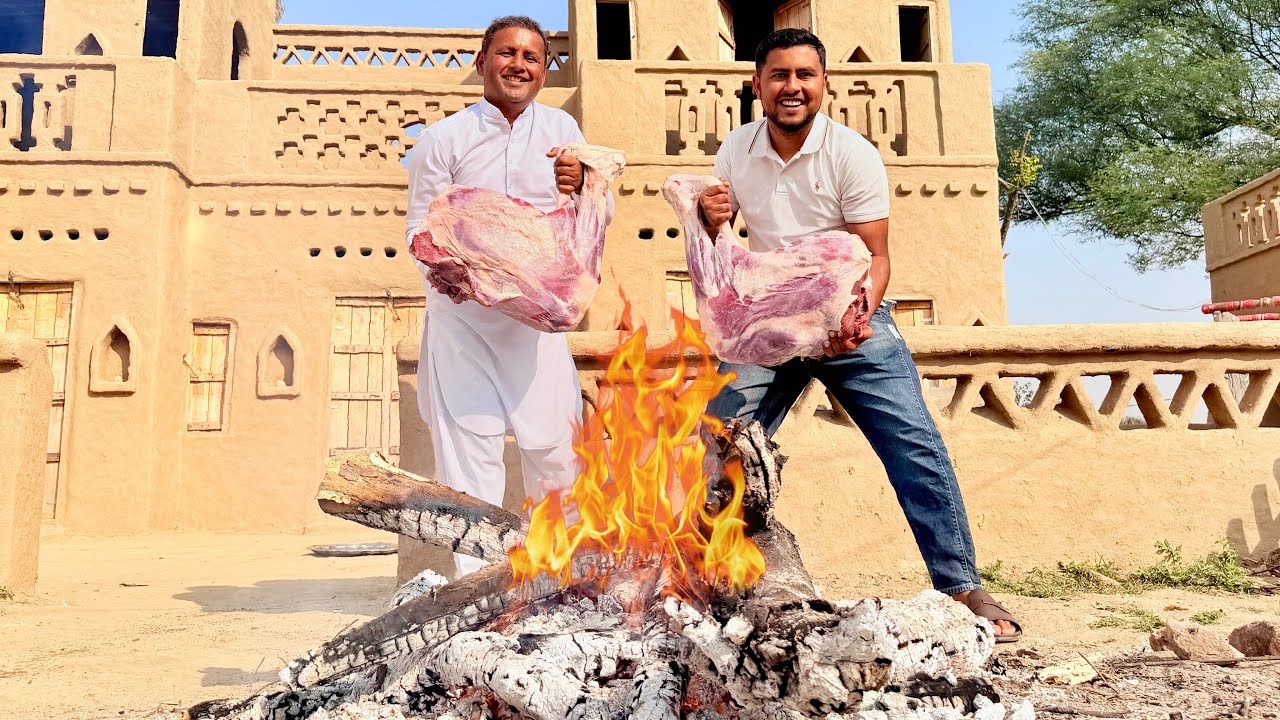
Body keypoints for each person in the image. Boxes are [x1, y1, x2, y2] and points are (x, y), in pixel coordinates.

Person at [697, 28, 1021, 641]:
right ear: (757, 84)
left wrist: (857, 317)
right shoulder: (735, 149)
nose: (791, 87)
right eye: (778, 76)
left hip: (851, 318)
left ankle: (962, 587)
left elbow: (877, 257)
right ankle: (704, 584)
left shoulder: (852, 153)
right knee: (716, 445)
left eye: (804, 76)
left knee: (914, 444)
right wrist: (712, 216)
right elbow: (724, 240)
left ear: (823, 84)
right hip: (772, 320)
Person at [404, 15, 613, 577]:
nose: (519, 64)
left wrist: (581, 183)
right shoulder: (442, 140)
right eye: (507, 53)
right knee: (469, 462)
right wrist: (457, 271)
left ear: (544, 71)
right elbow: (417, 230)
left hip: (535, 325)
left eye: (532, 57)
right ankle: (477, 590)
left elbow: (594, 220)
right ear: (481, 61)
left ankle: (561, 581)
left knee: (556, 453)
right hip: (463, 323)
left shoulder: (562, 133)